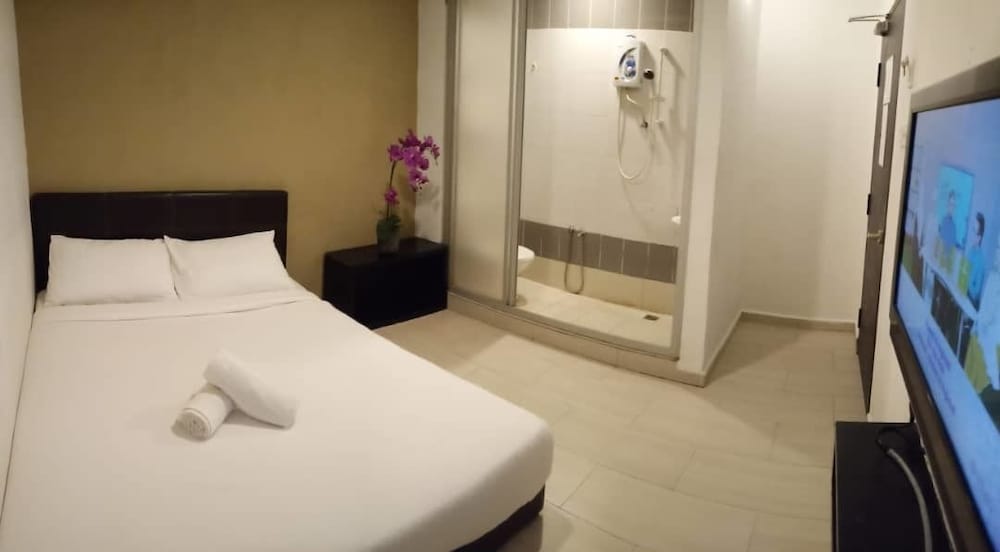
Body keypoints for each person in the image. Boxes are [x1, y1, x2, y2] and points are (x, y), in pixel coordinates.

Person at [967, 212, 986, 307]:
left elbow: (976, 291)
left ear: (979, 237)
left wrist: (967, 284)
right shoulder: (970, 251)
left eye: (974, 231)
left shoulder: (981, 260)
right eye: (972, 229)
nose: (972, 234)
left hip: (969, 301)